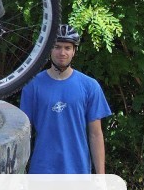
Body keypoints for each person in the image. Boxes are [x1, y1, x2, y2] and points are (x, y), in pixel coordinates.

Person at [19, 25, 112, 174]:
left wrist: (101, 176)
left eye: (67, 48)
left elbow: (95, 134)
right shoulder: (32, 85)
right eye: (57, 47)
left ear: (74, 51)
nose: (62, 52)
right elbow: (23, 134)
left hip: (78, 172)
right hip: (42, 171)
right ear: (49, 49)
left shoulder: (90, 86)